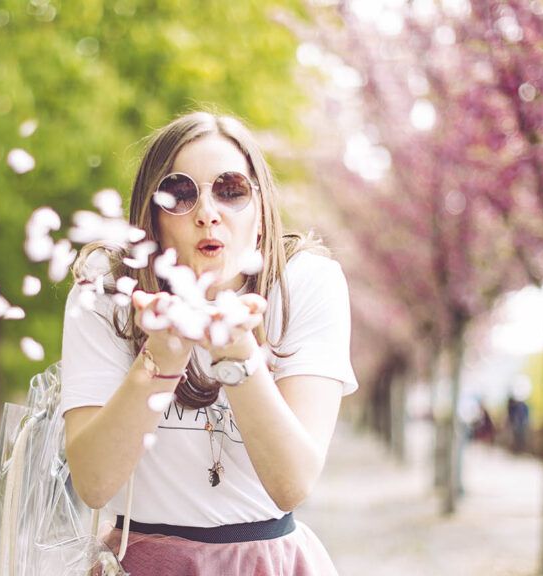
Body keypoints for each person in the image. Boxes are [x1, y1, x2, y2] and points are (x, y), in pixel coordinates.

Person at [60, 111, 358, 575]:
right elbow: (94, 484)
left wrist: (237, 353)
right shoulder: (109, 292)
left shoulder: (306, 283)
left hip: (265, 560)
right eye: (179, 194)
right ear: (153, 220)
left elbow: (292, 482)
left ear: (261, 214)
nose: (207, 212)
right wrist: (159, 361)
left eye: (231, 189)